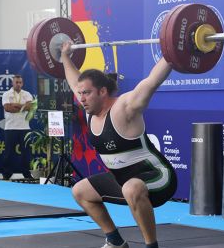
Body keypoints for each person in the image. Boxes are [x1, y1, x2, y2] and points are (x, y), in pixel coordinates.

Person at [61, 42, 177, 248]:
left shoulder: (125, 108)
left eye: (86, 93)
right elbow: (74, 81)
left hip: (157, 177)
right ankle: (115, 241)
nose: (82, 98)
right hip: (123, 181)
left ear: (103, 91)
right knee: (80, 191)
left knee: (132, 188)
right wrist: (65, 56)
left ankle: (152, 246)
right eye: (80, 94)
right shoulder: (90, 108)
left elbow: (151, 82)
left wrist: (175, 51)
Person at [1, 74, 34, 180]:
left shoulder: (27, 94)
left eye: (20, 82)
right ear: (12, 83)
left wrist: (16, 105)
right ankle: (6, 174)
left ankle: (26, 173)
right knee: (9, 153)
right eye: (16, 82)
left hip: (24, 127)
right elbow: (7, 108)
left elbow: (30, 107)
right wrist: (23, 106)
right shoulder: (6, 94)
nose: (18, 84)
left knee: (26, 153)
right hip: (10, 127)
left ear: (22, 83)